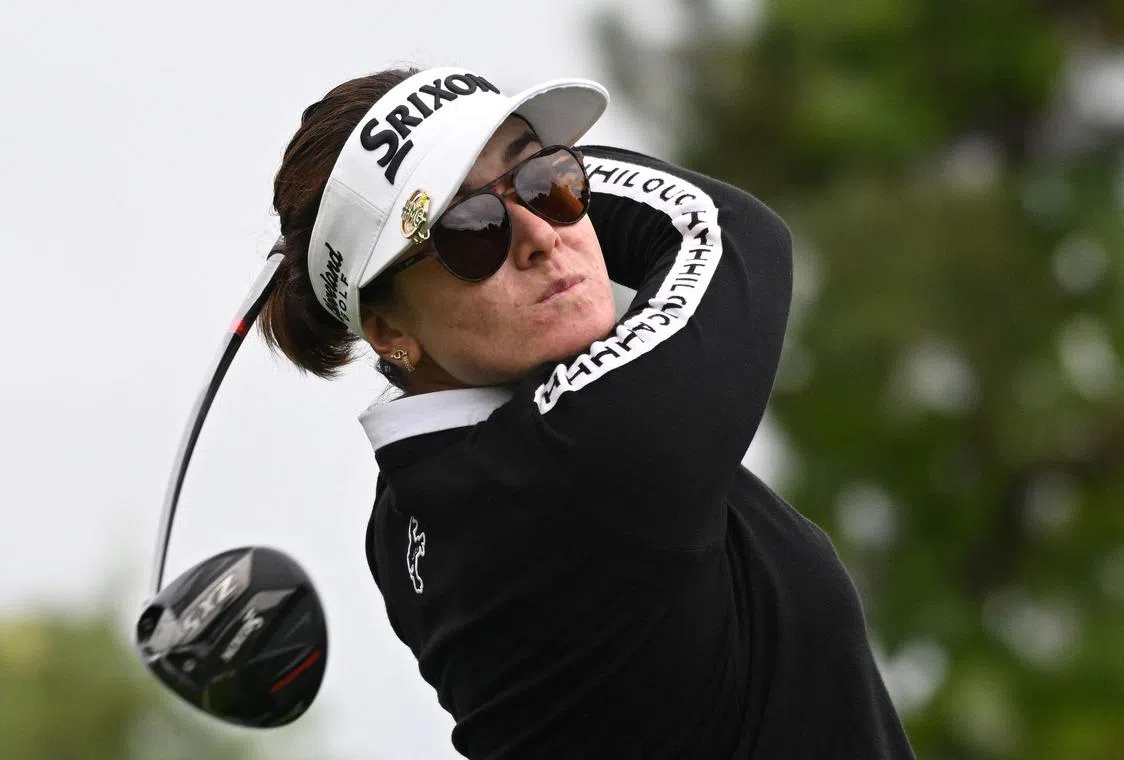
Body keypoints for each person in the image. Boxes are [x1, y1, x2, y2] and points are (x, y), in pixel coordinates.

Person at [259, 66, 917, 759]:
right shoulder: (584, 462)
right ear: (390, 333)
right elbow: (727, 230)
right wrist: (510, 164)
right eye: (472, 230)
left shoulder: (405, 518)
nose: (541, 234)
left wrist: (476, 175)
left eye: (549, 184)